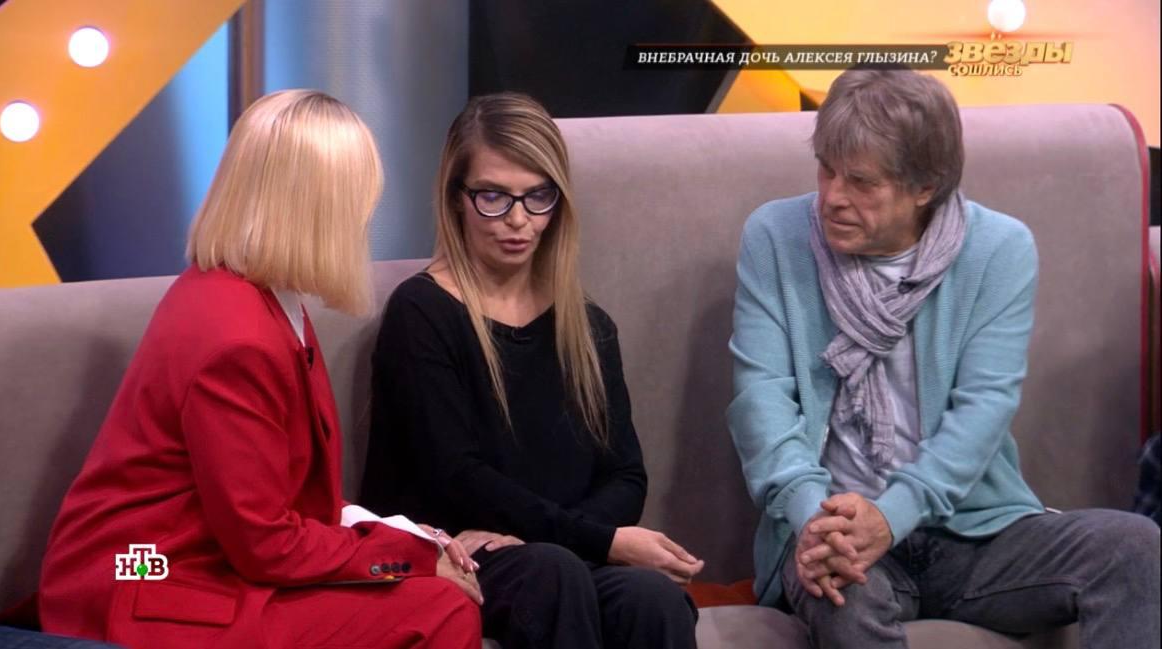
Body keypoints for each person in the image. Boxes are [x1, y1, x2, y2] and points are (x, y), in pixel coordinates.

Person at [727, 67, 1161, 648]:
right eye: (826, 168)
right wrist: (814, 521)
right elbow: (760, 401)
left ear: (925, 187)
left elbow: (984, 409)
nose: (833, 197)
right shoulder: (776, 236)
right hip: (832, 532)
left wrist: (893, 516)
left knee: (1135, 547)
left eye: (862, 182)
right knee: (841, 595)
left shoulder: (998, 248)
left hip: (973, 533)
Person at [38, 89, 482, 649]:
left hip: (199, 555)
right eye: (358, 198)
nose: (366, 215)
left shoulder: (264, 299)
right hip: (143, 571)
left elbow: (274, 504)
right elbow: (264, 543)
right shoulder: (236, 337)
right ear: (318, 207)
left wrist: (402, 536)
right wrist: (405, 559)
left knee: (426, 595)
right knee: (437, 610)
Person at [360, 92, 702, 649]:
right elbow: (457, 476)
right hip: (457, 555)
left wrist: (560, 537)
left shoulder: (588, 325)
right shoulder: (421, 312)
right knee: (551, 574)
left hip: (556, 552)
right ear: (456, 199)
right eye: (493, 196)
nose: (518, 220)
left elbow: (626, 476)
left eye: (538, 196)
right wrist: (598, 540)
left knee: (652, 598)